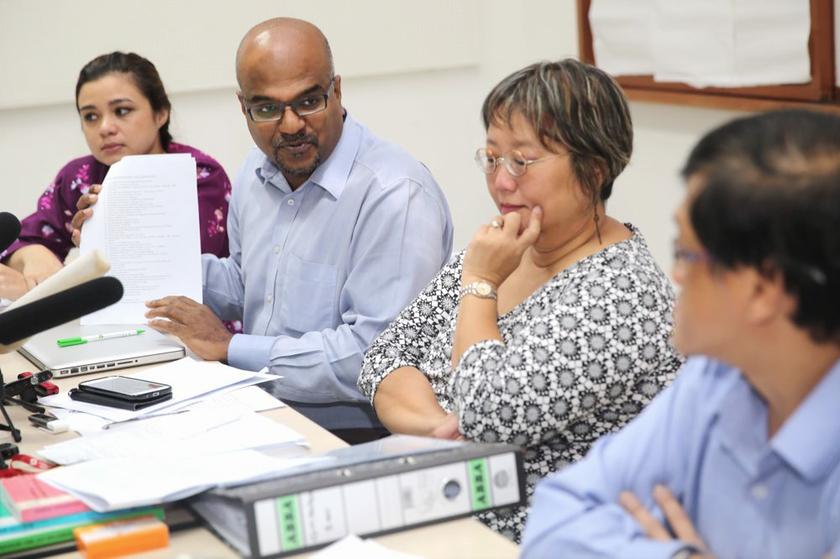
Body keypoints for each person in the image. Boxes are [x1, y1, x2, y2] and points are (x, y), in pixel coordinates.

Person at [357, 59, 681, 541]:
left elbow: (488, 417)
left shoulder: (622, 291)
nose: (501, 182)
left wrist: (482, 286)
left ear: (594, 170)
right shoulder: (501, 247)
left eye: (521, 162)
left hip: (536, 539)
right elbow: (382, 361)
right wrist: (442, 428)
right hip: (433, 505)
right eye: (491, 158)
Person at [520, 109, 840, 559]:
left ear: (763, 289)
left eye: (686, 254)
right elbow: (554, 522)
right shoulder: (714, 380)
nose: (674, 274)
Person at [141, 18, 453, 443]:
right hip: (259, 407)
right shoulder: (258, 168)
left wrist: (231, 348)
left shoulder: (395, 194)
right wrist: (130, 254)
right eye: (267, 108)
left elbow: (373, 355)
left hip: (358, 431)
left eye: (308, 102)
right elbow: (246, 282)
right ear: (244, 107)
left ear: (337, 91)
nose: (290, 126)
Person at [0, 52, 231, 300]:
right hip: (106, 325)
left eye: (122, 111)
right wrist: (32, 254)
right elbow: (23, 237)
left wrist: (101, 239)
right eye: (90, 116)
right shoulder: (79, 176)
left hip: (195, 328)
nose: (105, 128)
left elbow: (181, 270)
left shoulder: (199, 175)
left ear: (161, 113)